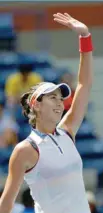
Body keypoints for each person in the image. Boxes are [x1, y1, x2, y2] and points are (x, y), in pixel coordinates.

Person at [0, 13, 93, 213]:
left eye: (61, 98)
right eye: (53, 98)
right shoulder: (25, 150)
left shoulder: (67, 131)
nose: (60, 103)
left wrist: (85, 37)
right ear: (36, 104)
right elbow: (6, 204)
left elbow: (84, 85)